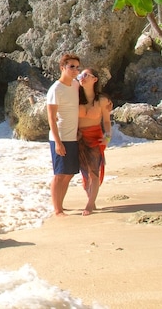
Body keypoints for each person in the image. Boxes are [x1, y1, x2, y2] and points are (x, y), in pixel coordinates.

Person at [46, 53, 82, 217]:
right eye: (71, 66)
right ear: (62, 68)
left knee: (69, 174)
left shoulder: (75, 85)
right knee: (60, 174)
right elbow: (51, 118)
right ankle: (57, 209)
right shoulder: (55, 89)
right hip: (59, 137)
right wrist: (58, 142)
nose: (75, 70)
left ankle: (61, 204)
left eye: (77, 67)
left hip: (72, 136)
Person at [76, 68, 113, 216]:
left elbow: (107, 122)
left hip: (95, 137)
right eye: (80, 75)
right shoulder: (75, 98)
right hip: (79, 138)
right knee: (84, 173)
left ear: (95, 79)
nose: (82, 78)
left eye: (86, 75)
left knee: (94, 172)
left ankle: (90, 204)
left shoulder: (102, 100)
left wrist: (107, 137)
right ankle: (91, 199)